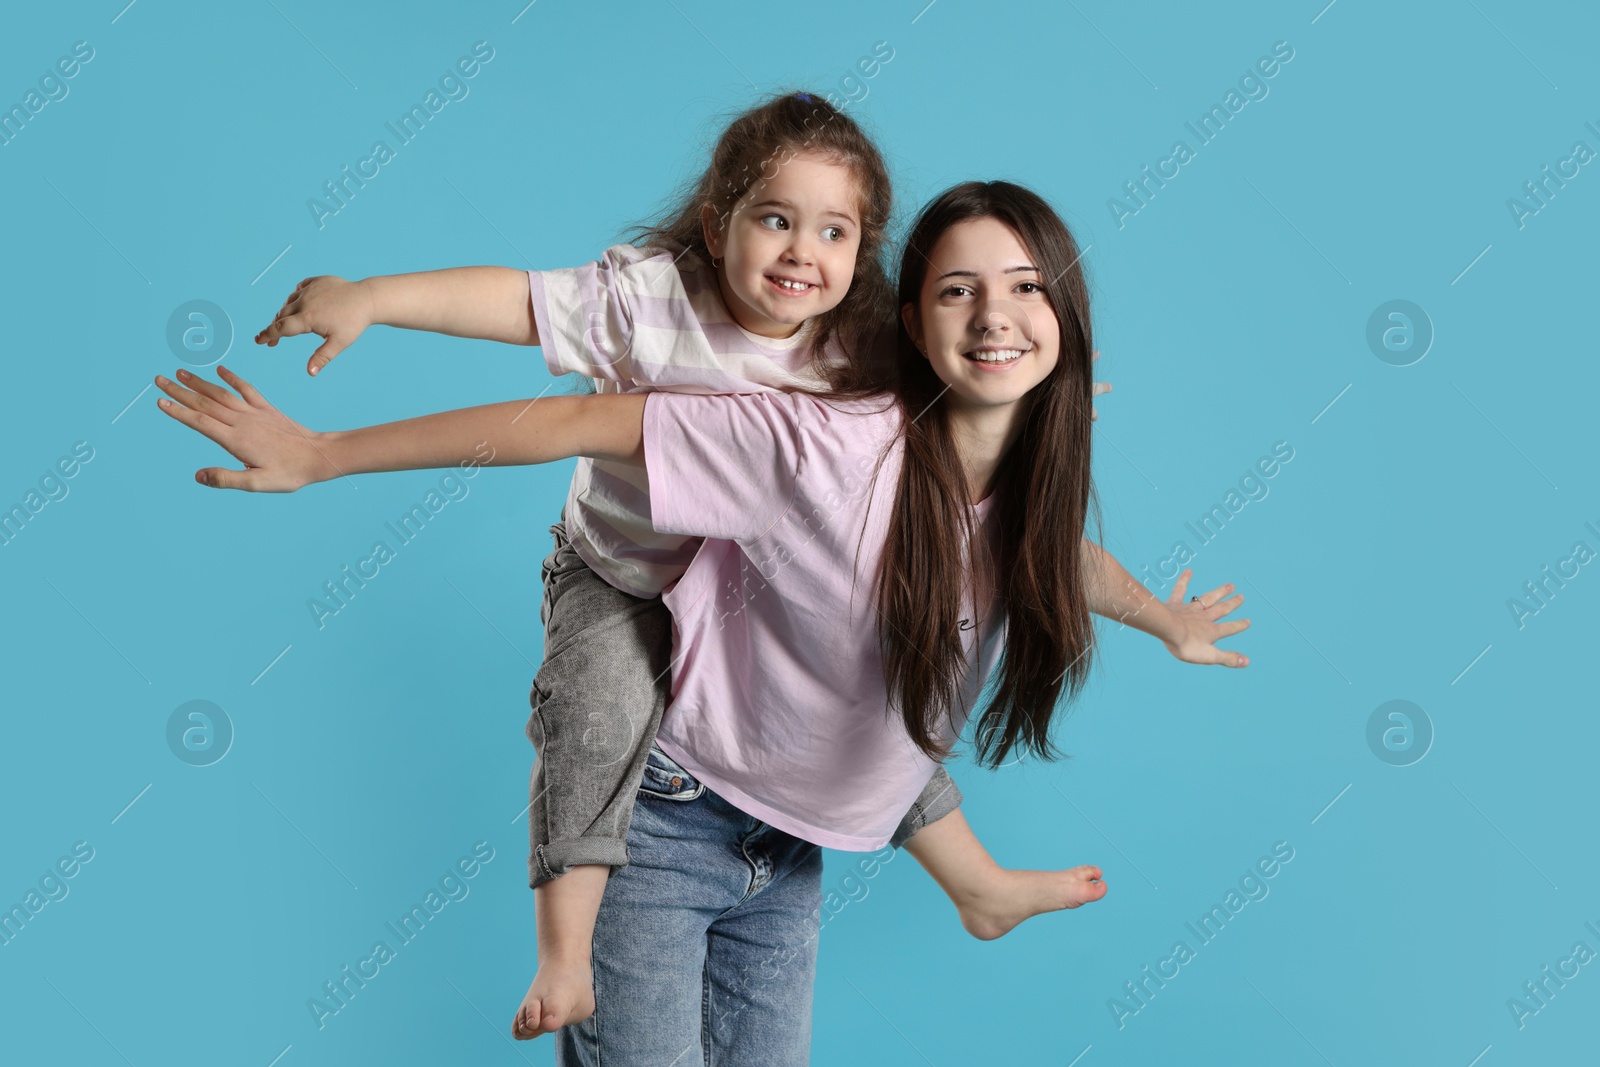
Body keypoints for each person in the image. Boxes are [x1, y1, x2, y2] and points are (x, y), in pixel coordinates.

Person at [156, 178, 1249, 1064]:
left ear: (1065, 320)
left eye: (1024, 287)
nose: (996, 315)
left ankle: (972, 881)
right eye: (959, 291)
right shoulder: (813, 446)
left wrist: (1162, 619)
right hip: (669, 821)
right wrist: (327, 453)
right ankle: (573, 938)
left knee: (880, 674)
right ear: (911, 323)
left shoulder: (1022, 486)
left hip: (797, 846)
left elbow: (1057, 555)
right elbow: (571, 420)